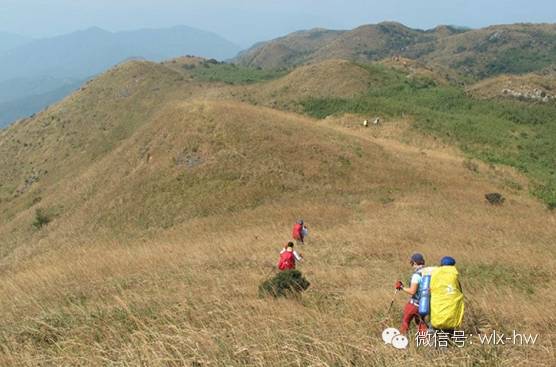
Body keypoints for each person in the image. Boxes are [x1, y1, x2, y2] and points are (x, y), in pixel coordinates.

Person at [395, 253, 429, 335]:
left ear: (414, 262)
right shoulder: (427, 273)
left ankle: (402, 339)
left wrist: (402, 287)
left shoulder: (416, 276)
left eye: (411, 263)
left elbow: (412, 291)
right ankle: (426, 341)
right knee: (421, 323)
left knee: (405, 321)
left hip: (414, 304)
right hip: (424, 304)